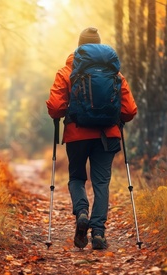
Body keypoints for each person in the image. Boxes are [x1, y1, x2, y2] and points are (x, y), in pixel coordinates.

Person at [46, 27, 137, 250]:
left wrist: (63, 113)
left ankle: (82, 213)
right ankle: (98, 232)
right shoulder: (115, 74)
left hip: (77, 134)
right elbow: (130, 111)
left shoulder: (66, 71)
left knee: (77, 178)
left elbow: (56, 107)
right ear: (98, 44)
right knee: (101, 183)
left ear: (79, 47)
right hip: (107, 135)